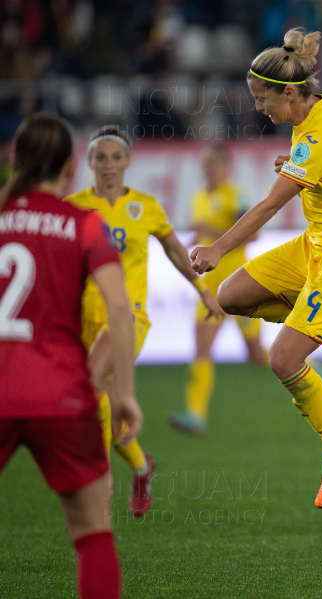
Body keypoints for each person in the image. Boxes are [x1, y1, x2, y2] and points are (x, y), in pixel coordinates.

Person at [190, 27, 322, 509]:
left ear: (290, 93)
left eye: (262, 98)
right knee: (230, 297)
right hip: (316, 244)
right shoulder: (314, 114)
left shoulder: (318, 130)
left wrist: (216, 248)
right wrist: (300, 164)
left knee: (282, 359)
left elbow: (266, 208)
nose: (259, 108)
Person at [0, 112, 141, 599]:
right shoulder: (81, 224)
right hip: (61, 393)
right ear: (68, 170)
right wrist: (124, 393)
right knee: (91, 531)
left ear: (14, 161)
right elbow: (120, 308)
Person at [66, 125, 224, 516]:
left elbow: (173, 249)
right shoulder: (74, 206)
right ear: (89, 162)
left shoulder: (145, 207)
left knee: (92, 383)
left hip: (128, 317)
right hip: (83, 318)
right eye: (100, 158)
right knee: (102, 399)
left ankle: (97, 482)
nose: (108, 165)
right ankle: (141, 465)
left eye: (116, 157)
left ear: (127, 162)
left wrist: (202, 289)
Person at [168, 143, 267, 437]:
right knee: (201, 348)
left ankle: (306, 363)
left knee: (256, 355)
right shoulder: (199, 198)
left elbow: (253, 234)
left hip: (239, 285)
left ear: (226, 167)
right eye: (206, 163)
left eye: (215, 163)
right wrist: (192, 242)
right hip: (209, 288)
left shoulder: (237, 196)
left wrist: (208, 232)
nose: (209, 168)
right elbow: (204, 233)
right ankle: (195, 415)